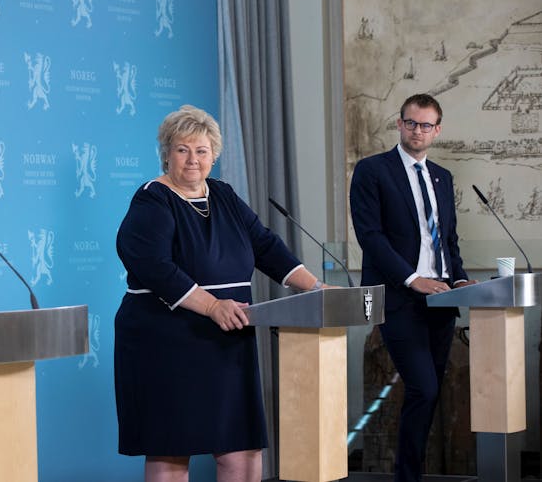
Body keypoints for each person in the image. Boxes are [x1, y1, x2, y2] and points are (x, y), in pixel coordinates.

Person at [114, 104, 327, 482]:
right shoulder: (152, 199)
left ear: (214, 155)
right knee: (171, 450)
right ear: (167, 155)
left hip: (228, 341)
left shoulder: (224, 195)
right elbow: (153, 266)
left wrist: (317, 288)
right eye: (182, 149)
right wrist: (212, 305)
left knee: (241, 450)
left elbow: (265, 246)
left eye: (201, 150)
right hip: (166, 342)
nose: (193, 159)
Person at [349, 93, 476, 482]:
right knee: (422, 387)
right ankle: (408, 476)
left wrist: (458, 279)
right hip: (399, 297)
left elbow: (448, 239)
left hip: (441, 298)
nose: (416, 130)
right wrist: (412, 278)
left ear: (436, 130)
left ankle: (411, 472)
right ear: (399, 124)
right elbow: (370, 237)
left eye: (425, 125)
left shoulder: (442, 177)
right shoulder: (373, 171)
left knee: (431, 391)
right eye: (410, 122)